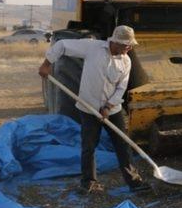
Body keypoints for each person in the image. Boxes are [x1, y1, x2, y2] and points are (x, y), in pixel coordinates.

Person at [38, 26, 149, 194]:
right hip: (88, 108)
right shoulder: (92, 48)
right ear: (116, 42)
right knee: (89, 146)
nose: (130, 48)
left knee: (123, 145)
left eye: (130, 45)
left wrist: (108, 107)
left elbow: (121, 88)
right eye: (127, 45)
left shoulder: (126, 60)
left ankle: (134, 182)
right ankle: (88, 182)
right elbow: (61, 45)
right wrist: (46, 64)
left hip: (112, 111)